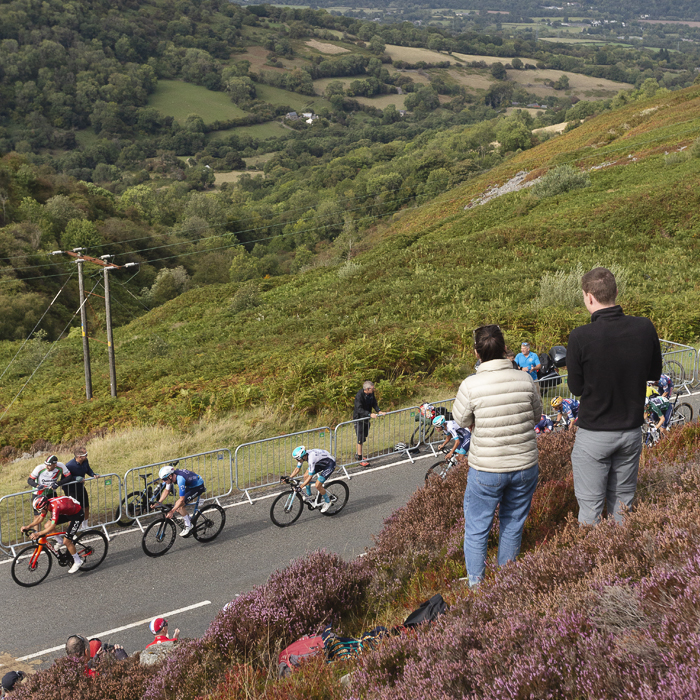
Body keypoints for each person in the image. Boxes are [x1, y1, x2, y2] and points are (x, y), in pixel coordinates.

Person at [567, 267, 662, 525]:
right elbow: (654, 372)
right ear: (616, 293)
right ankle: (620, 560)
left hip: (595, 433)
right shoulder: (644, 327)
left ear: (588, 297)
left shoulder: (580, 337)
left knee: (590, 511)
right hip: (630, 430)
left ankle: (594, 562)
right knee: (622, 505)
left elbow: (576, 388)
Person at [452, 324, 542, 588]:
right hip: (524, 464)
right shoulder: (525, 379)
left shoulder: (471, 385)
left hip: (487, 469)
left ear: (477, 353)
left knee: (477, 528)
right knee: (513, 523)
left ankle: (477, 587)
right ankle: (506, 583)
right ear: (505, 348)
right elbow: (536, 416)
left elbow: (461, 418)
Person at [21, 494, 85, 573]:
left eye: (40, 509)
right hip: (68, 513)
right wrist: (28, 526)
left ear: (44, 506)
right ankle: (60, 542)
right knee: (47, 525)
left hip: (77, 515)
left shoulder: (55, 507)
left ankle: (78, 561)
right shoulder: (47, 504)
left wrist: (38, 534)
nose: (40, 511)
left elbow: (52, 526)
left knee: (67, 541)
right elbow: (41, 518)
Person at [153, 465, 206, 537]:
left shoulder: (180, 479)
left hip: (198, 487)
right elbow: (166, 491)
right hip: (191, 486)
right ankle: (189, 519)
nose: (163, 481)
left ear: (170, 476)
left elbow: (181, 500)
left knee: (179, 506)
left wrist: (172, 511)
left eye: (164, 479)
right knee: (177, 506)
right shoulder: (171, 477)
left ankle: (188, 526)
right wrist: (159, 502)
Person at [290, 446, 336, 513]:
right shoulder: (304, 456)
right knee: (305, 475)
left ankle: (327, 501)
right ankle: (308, 494)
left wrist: (301, 486)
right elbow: (297, 468)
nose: (297, 461)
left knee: (318, 485)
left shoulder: (311, 459)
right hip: (320, 463)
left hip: (329, 464)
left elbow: (310, 477)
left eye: (297, 459)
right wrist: (289, 478)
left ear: (303, 457)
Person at [63, 447, 99, 530]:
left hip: (80, 487)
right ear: (79, 456)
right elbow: (64, 478)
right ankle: (71, 529)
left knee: (86, 506)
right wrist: (75, 478)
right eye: (85, 454)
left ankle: (85, 525)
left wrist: (93, 474)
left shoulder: (85, 461)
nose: (87, 455)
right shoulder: (69, 465)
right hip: (70, 490)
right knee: (73, 510)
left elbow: (88, 469)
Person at [353, 381, 386, 467]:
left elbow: (374, 403)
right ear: (367, 389)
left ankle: (358, 454)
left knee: (363, 437)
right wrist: (369, 414)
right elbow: (359, 409)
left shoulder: (371, 394)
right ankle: (360, 459)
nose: (374, 389)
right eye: (372, 388)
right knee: (360, 438)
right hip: (359, 418)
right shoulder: (359, 396)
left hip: (366, 418)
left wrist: (379, 410)